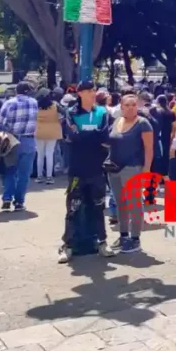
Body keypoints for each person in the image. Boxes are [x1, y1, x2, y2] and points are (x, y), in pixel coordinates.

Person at [59, 81, 116, 263]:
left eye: (94, 90)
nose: (93, 93)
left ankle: (102, 242)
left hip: (97, 167)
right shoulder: (71, 112)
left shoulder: (102, 112)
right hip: (77, 168)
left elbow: (105, 136)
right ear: (80, 93)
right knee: (73, 207)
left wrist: (84, 136)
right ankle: (68, 245)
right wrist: (92, 137)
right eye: (89, 91)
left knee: (98, 206)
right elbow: (72, 136)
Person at [107, 93, 154, 254]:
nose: (130, 108)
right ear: (121, 107)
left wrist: (146, 169)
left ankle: (135, 238)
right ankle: (123, 235)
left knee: (134, 203)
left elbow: (149, 149)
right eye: (127, 105)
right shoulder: (116, 121)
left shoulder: (143, 123)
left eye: (133, 105)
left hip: (133, 168)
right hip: (114, 168)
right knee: (120, 203)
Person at [0, 81, 39, 211]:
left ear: (16, 91)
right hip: (29, 140)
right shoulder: (34, 103)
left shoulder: (9, 103)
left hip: (11, 140)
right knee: (24, 174)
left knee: (10, 171)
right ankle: (19, 202)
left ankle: (7, 198)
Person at [35, 90, 62, 185]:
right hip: (52, 132)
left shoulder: (36, 106)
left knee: (40, 155)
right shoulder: (55, 105)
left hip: (39, 131)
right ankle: (49, 177)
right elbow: (64, 113)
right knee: (49, 154)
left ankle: (39, 176)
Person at [149, 94, 175, 176]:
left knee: (159, 154)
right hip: (168, 135)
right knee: (166, 154)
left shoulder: (159, 112)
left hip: (160, 135)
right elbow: (174, 125)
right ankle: (165, 172)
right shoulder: (171, 112)